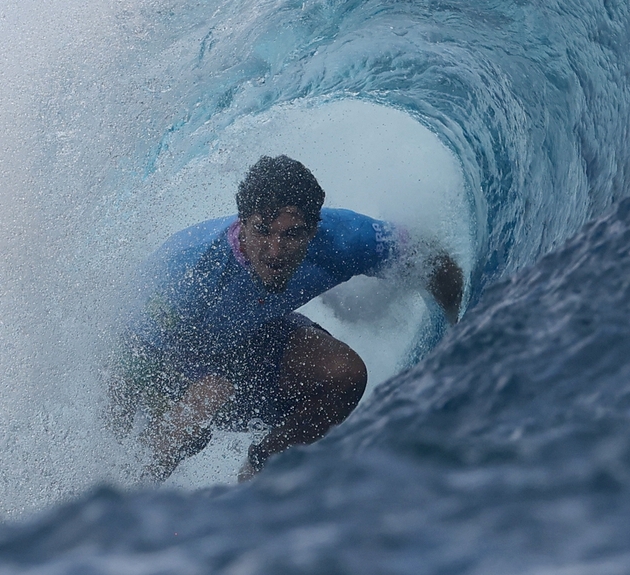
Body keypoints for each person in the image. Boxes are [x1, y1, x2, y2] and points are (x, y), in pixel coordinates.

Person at [115, 154, 464, 481]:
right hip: (156, 353)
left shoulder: (344, 239)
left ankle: (260, 475)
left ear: (313, 230)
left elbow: (435, 264)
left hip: (251, 336)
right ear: (243, 225)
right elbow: (129, 357)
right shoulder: (193, 273)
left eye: (292, 233)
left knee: (347, 375)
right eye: (263, 230)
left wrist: (461, 346)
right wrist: (167, 419)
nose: (275, 250)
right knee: (196, 410)